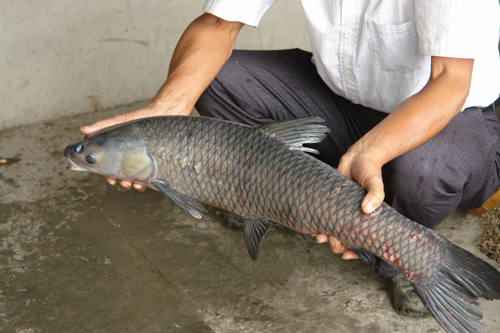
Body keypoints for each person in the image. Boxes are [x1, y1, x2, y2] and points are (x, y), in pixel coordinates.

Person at [81, 0, 500, 316]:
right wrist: (168, 108)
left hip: (449, 118)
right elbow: (218, 24)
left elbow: (451, 81)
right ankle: (270, 196)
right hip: (338, 104)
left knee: (423, 171)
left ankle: (408, 262)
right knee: (217, 79)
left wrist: (369, 152)